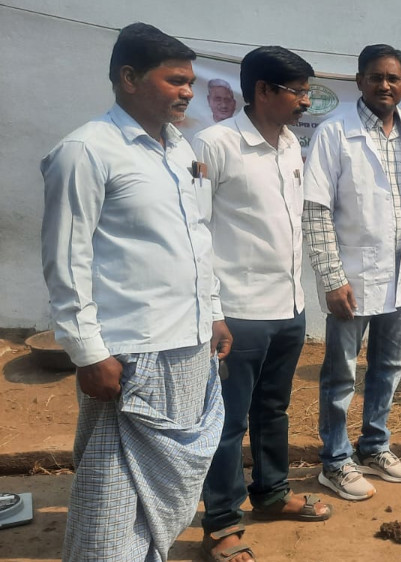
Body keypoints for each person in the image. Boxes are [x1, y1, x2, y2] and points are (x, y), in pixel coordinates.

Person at [40, 22, 229, 561]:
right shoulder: (86, 151)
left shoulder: (178, 150)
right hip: (130, 355)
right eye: (175, 80)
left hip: (189, 346)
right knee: (113, 497)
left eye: (190, 82)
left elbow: (196, 239)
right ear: (128, 78)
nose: (187, 92)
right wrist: (87, 352)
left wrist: (214, 312)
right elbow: (66, 260)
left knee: (167, 492)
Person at [192, 46, 331, 562]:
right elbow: (196, 231)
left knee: (273, 409)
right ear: (263, 90)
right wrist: (213, 311)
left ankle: (271, 493)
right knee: (228, 422)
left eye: (308, 92)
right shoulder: (215, 144)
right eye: (298, 91)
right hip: (238, 313)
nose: (306, 101)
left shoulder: (291, 144)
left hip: (288, 307)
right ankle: (221, 523)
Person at [302, 44, 401, 502]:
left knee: (388, 366)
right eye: (376, 77)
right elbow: (316, 211)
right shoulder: (334, 133)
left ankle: (374, 446)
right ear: (360, 81)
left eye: (393, 78)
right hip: (353, 279)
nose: (385, 85)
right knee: (340, 374)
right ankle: (335, 461)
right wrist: (331, 277)